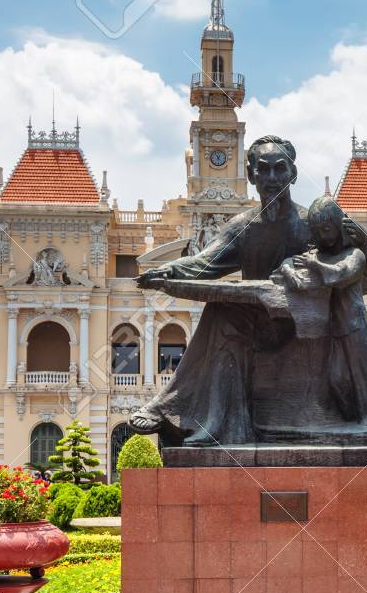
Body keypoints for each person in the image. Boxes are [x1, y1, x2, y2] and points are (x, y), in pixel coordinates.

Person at [128, 135, 310, 446]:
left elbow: (349, 261)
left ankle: (168, 406)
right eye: (263, 170)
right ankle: (205, 423)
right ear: (251, 175)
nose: (271, 178)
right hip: (259, 325)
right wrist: (168, 271)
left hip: (303, 324)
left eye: (280, 169)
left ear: (293, 173)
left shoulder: (310, 223)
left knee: (223, 313)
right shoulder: (243, 227)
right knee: (219, 310)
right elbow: (203, 263)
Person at [278, 197, 367, 428]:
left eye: (327, 229)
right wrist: (290, 270)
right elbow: (289, 262)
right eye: (317, 231)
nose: (322, 236)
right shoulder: (319, 255)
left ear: (339, 226)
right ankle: (352, 417)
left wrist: (314, 266)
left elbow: (340, 275)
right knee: (338, 377)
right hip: (329, 327)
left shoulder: (354, 255)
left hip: (353, 324)